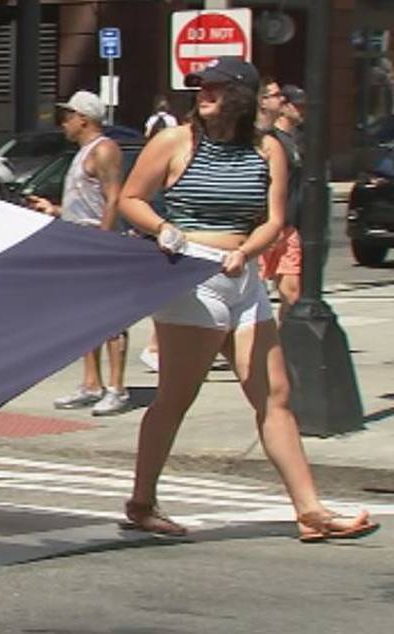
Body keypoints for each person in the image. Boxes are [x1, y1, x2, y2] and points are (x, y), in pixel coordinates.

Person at [117, 56, 380, 542]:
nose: (204, 94)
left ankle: (309, 510)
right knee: (176, 398)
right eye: (201, 87)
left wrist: (249, 252)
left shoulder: (267, 148)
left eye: (215, 87)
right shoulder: (175, 141)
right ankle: (141, 502)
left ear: (241, 95)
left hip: (244, 277)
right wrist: (164, 229)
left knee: (275, 396)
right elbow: (131, 198)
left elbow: (273, 219)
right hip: (192, 277)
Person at [28, 90, 132, 416]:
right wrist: (55, 210)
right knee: (85, 318)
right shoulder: (81, 152)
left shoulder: (104, 150)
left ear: (84, 118)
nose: (64, 123)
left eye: (68, 116)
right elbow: (84, 203)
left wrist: (104, 243)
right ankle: (91, 384)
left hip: (97, 243)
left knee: (112, 318)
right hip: (79, 240)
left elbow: (114, 198)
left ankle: (117, 387)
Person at [260, 84, 305, 323]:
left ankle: (285, 347)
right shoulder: (266, 140)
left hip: (288, 228)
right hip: (263, 229)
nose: (301, 111)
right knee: (248, 294)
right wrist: (269, 224)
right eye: (277, 96)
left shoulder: (296, 139)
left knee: (292, 292)